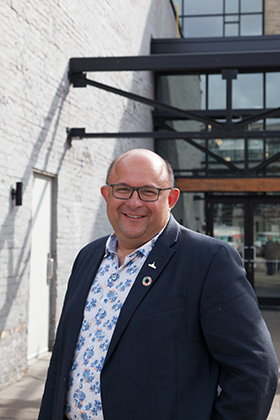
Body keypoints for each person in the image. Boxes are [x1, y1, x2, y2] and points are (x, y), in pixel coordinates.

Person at [38, 149, 278, 420]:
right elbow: (62, 358)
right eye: (123, 190)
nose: (134, 202)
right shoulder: (87, 257)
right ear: (107, 194)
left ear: (171, 198)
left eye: (148, 192)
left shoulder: (209, 261)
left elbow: (255, 371)